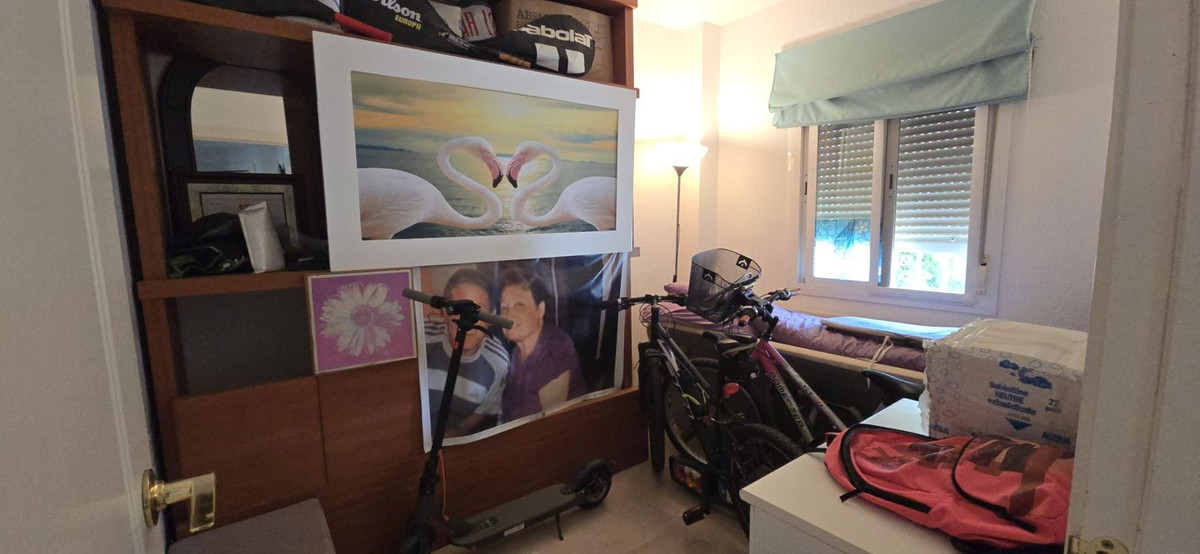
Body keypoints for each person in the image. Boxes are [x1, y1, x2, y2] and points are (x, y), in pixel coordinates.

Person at [425, 268, 509, 438]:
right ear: (444, 313)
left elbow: (482, 412)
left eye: (478, 311)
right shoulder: (423, 339)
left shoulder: (499, 364)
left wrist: (450, 436)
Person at [498, 269, 586, 422]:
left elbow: (552, 426)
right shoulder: (516, 352)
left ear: (540, 310)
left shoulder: (555, 351)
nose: (509, 315)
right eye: (504, 308)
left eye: (519, 305)